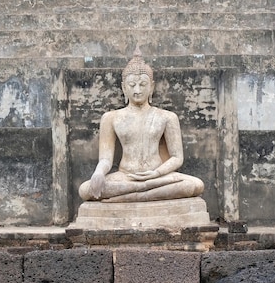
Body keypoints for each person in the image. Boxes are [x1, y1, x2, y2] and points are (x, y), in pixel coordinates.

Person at [78, 48, 204, 202]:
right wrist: (98, 173)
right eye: (132, 85)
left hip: (158, 176)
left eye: (143, 84)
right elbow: (105, 159)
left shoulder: (167, 117)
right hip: (126, 176)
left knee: (196, 185)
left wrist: (156, 174)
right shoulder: (111, 118)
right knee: (85, 190)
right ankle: (144, 193)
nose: (137, 90)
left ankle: (128, 196)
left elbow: (177, 158)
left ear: (151, 86)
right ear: (124, 87)